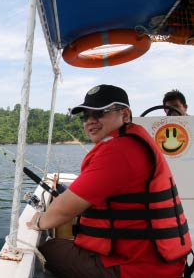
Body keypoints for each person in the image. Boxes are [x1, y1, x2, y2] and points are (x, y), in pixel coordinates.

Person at [26, 84, 192, 278]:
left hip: (140, 268)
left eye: (99, 113)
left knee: (51, 248)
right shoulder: (132, 141)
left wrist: (37, 222)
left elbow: (64, 210)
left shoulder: (119, 151)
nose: (90, 121)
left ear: (125, 114)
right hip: (163, 263)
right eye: (86, 116)